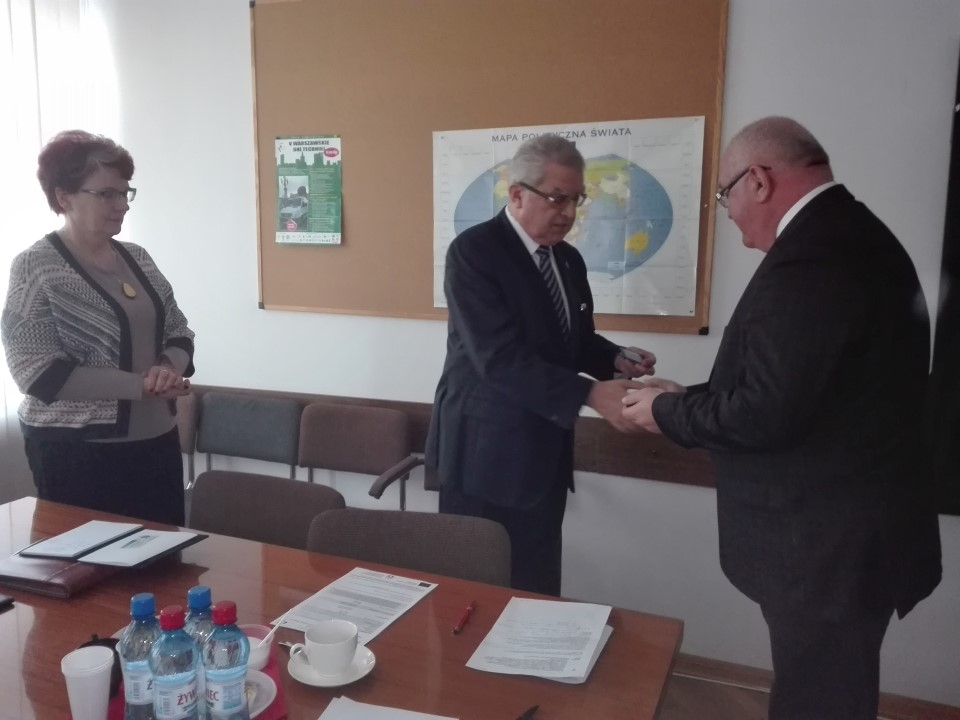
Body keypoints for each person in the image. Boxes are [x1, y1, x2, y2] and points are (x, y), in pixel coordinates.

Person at [622, 117, 942, 720]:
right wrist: (687, 394)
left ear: (760, 180)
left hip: (826, 546)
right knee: (825, 693)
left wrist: (667, 411)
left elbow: (767, 414)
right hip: (848, 535)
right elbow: (806, 387)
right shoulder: (849, 234)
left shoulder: (813, 259)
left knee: (817, 701)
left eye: (725, 197)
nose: (730, 215)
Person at [425, 135, 656, 595]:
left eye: (576, 199)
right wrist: (590, 394)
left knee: (537, 585)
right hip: (483, 456)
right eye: (557, 198)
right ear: (517, 194)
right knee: (475, 593)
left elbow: (573, 341)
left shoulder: (567, 259)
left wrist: (614, 358)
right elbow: (497, 358)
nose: (568, 213)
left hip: (545, 449)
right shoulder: (475, 253)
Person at [1, 130, 195, 525]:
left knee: (165, 555)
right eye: (106, 194)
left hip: (157, 440)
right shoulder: (37, 266)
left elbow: (178, 329)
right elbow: (36, 372)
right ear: (64, 197)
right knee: (91, 560)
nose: (121, 205)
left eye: (125, 193)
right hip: (78, 451)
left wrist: (167, 367)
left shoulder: (138, 258)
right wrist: (140, 386)